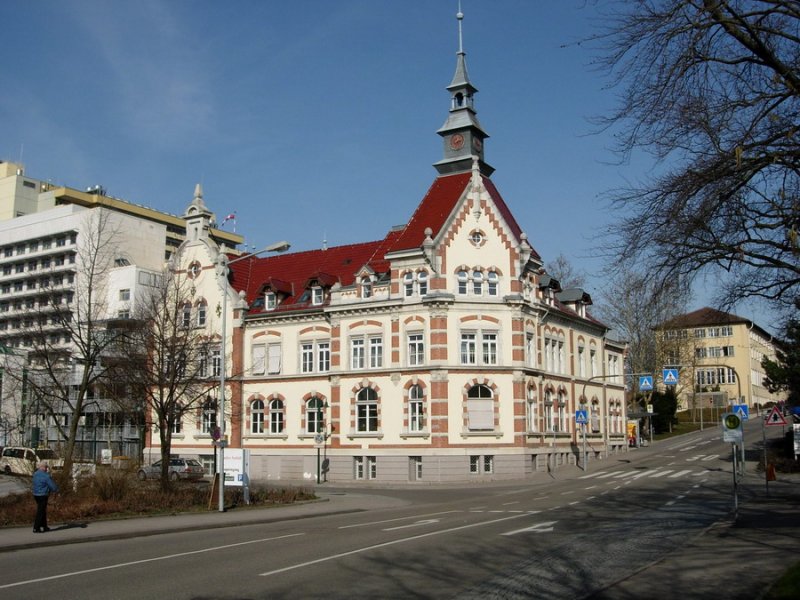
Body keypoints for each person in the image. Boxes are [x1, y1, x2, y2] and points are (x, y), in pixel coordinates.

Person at [32, 460, 58, 533]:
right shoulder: (46, 476)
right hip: (43, 495)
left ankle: (44, 526)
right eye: (46, 467)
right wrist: (56, 490)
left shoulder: (35, 474)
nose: (47, 469)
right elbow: (52, 486)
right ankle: (36, 528)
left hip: (36, 494)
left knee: (42, 510)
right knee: (40, 511)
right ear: (43, 467)